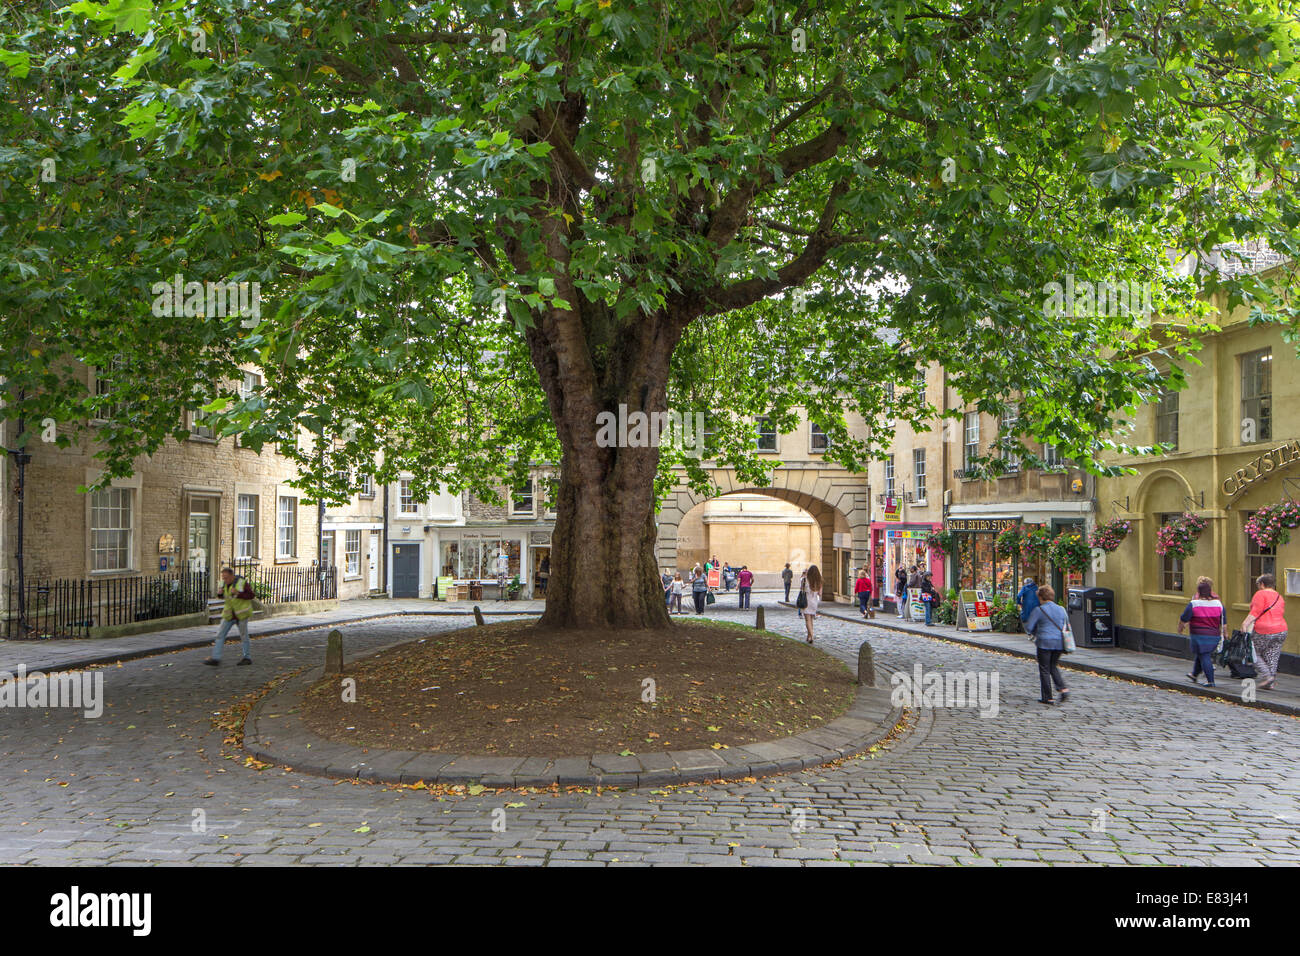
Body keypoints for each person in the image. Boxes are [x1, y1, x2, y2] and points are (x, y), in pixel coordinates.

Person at [1023, 585, 1071, 704]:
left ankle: (1047, 697)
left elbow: (1029, 627)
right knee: (1053, 666)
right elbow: (1066, 624)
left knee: (1044, 669)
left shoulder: (1039, 610)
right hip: (1059, 642)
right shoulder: (1061, 609)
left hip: (1044, 642)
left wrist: (1034, 632)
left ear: (1040, 597)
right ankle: (1063, 688)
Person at [1242, 572, 1288, 690]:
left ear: (1262, 584)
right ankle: (1271, 682)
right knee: (1272, 655)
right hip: (1281, 630)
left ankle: (1267, 677)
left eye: (1258, 584)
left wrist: (1245, 624)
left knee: (1253, 653)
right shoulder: (1279, 596)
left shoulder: (1260, 594)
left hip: (1264, 629)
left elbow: (1255, 612)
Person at [1179, 575, 1226, 687]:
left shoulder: (1194, 603)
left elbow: (1184, 617)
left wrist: (1180, 627)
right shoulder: (1218, 604)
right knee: (1202, 654)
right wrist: (1225, 633)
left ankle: (1211, 681)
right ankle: (1194, 674)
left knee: (1204, 655)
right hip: (1214, 635)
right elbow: (1224, 621)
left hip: (1199, 634)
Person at [204, 567, 255, 666]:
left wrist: (238, 593)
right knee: (220, 635)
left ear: (232, 576)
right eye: (223, 577)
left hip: (241, 615)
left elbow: (251, 595)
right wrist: (220, 594)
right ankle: (215, 658)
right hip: (229, 615)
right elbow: (224, 597)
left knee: (244, 636)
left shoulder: (241, 583)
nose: (224, 580)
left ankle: (247, 658)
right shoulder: (223, 584)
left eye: (226, 577)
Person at [801, 564, 823, 644]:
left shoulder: (805, 579)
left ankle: (812, 636)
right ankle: (809, 636)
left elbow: (802, 590)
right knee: (811, 620)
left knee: (807, 620)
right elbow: (820, 594)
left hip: (806, 601)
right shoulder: (819, 581)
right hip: (814, 602)